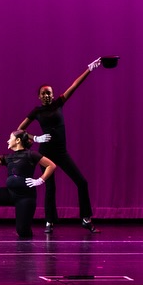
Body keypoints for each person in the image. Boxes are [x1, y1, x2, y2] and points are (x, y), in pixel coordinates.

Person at [18, 57, 106, 233]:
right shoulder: (37, 111)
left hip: (61, 152)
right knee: (50, 188)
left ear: (52, 94)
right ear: (39, 96)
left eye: (49, 92)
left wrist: (89, 69)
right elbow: (19, 130)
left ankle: (86, 219)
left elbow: (74, 85)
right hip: (45, 154)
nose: (47, 95)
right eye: (44, 93)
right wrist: (35, 138)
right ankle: (49, 222)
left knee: (82, 182)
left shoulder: (59, 103)